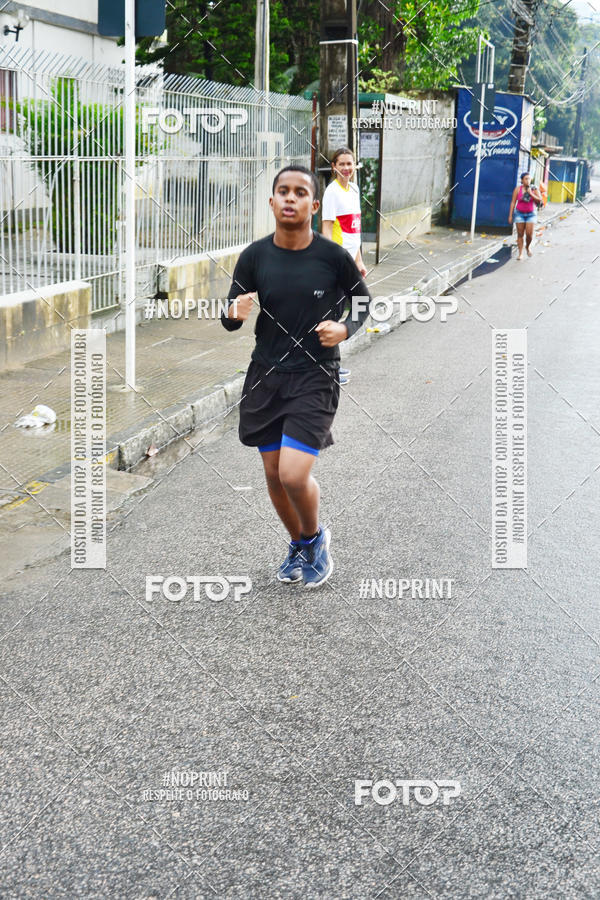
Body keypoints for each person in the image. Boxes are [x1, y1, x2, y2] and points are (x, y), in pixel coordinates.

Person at [221, 165, 372, 589]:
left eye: (300, 192)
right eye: (283, 192)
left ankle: (316, 537)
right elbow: (229, 318)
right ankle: (300, 543)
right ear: (272, 202)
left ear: (314, 205)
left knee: (292, 473)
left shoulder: (333, 257)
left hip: (315, 376)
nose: (291, 198)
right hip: (265, 377)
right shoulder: (254, 257)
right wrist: (234, 312)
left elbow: (362, 301)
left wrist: (344, 329)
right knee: (273, 475)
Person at [321, 147, 367, 385]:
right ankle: (330, 368)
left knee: (358, 305)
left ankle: (330, 365)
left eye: (350, 164)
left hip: (351, 263)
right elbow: (327, 228)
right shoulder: (332, 192)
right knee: (334, 313)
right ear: (334, 166)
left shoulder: (354, 190)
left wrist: (359, 259)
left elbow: (354, 230)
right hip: (337, 264)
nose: (347, 168)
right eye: (342, 164)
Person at [508, 172, 542, 260]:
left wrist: (531, 193)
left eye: (529, 179)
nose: (528, 180)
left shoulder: (534, 189)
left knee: (529, 234)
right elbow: (513, 202)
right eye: (526, 179)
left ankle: (527, 247)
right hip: (519, 214)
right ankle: (520, 253)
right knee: (520, 234)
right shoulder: (517, 189)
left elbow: (539, 200)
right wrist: (510, 215)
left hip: (531, 214)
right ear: (522, 180)